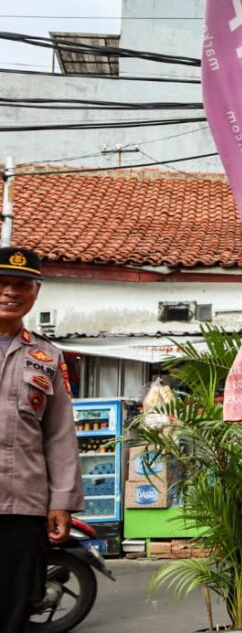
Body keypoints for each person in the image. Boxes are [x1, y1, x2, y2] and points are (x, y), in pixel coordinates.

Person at [0, 247, 83, 633]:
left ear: (36, 293)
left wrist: (61, 502)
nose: (10, 293)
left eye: (21, 285)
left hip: (22, 505)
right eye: (2, 284)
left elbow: (59, 435)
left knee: (14, 609)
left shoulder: (46, 357)